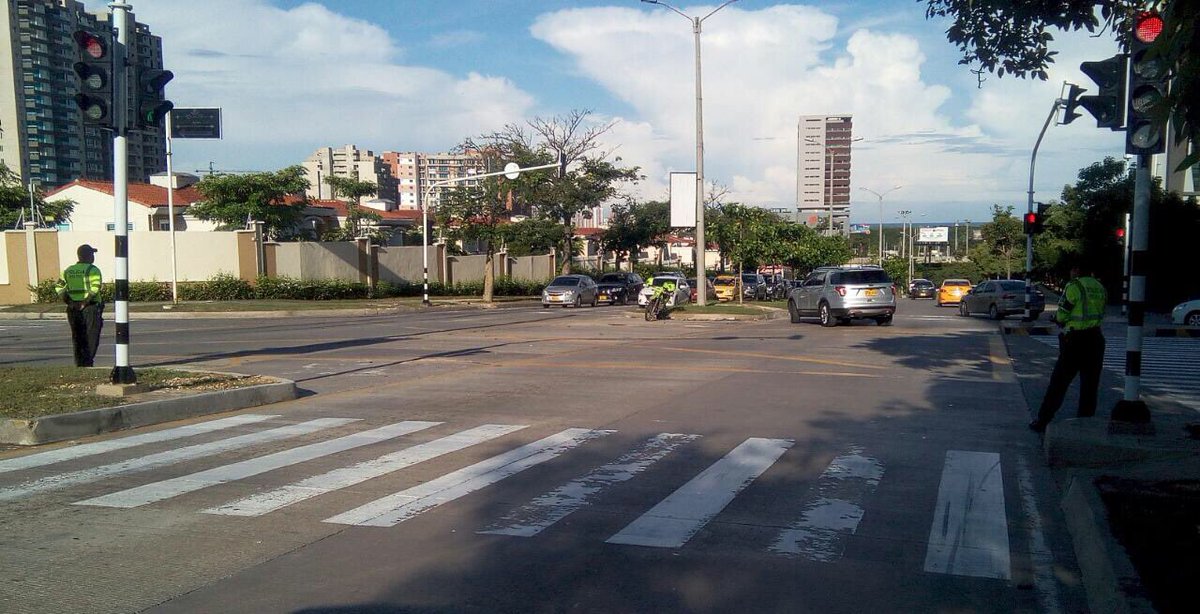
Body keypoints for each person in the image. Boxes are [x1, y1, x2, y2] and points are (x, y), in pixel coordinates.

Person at [1029, 263, 1107, 433]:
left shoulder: (1075, 286)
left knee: (1059, 383)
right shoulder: (1099, 287)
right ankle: (1085, 423)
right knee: (1090, 386)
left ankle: (1043, 420)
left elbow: (1063, 312)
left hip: (1075, 340)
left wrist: (1057, 318)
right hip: (1095, 338)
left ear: (1077, 270)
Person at [56, 244, 104, 367]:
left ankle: (79, 363)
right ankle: (87, 363)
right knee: (91, 336)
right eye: (92, 254)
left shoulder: (68, 270)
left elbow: (59, 287)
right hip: (90, 308)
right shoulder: (93, 270)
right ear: (88, 256)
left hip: (73, 309)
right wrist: (84, 302)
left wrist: (70, 302)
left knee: (77, 336)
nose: (93, 257)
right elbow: (95, 288)